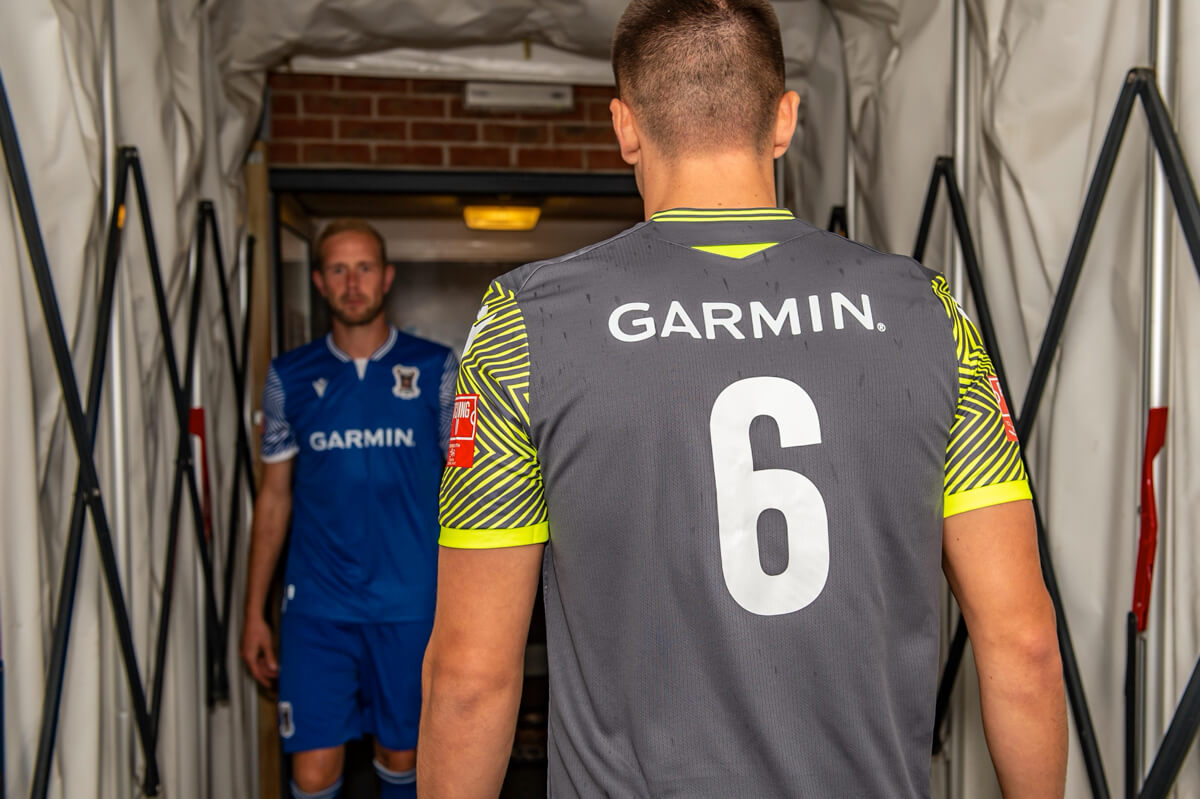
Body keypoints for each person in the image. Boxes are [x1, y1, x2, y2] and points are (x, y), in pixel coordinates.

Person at [419, 0, 1067, 796]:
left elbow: (471, 677)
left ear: (624, 126)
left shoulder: (525, 326)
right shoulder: (931, 314)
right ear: (786, 119)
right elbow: (1024, 644)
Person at [240, 218, 456, 799]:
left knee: (403, 754)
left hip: (409, 601)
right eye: (338, 269)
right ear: (319, 281)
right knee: (311, 772)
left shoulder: (439, 369)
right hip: (318, 607)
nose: (352, 282)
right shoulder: (289, 376)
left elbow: (466, 491)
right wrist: (254, 610)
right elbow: (274, 497)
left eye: (363, 268)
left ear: (386, 278)